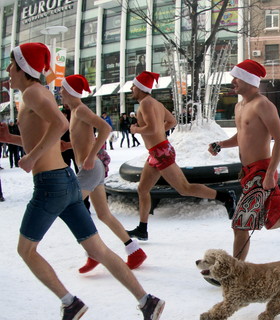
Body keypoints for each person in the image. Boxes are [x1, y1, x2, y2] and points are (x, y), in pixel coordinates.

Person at [0, 42, 164, 319]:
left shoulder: (32, 93)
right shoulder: (35, 94)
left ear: (23, 68)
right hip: (65, 181)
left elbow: (60, 126)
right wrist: (10, 140)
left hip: (51, 186)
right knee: (97, 248)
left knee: (25, 250)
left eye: (12, 64)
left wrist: (30, 159)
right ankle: (147, 300)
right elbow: (48, 139)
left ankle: (70, 303)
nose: (7, 70)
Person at [208, 59, 280, 262]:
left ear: (248, 79)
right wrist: (221, 144)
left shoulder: (263, 104)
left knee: (241, 224)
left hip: (261, 171)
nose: (233, 81)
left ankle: (234, 271)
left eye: (236, 77)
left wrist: (271, 173)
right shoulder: (239, 106)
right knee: (274, 218)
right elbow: (242, 135)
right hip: (247, 172)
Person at [126, 71, 237, 241]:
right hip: (156, 152)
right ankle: (142, 228)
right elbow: (172, 122)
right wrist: (156, 135)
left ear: (141, 87)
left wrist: (136, 130)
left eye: (134, 86)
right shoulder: (155, 103)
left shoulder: (146, 104)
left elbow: (152, 128)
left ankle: (225, 196)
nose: (131, 89)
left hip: (161, 152)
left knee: (184, 188)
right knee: (143, 189)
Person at [60, 74, 148, 273]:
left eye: (62, 89)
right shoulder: (74, 111)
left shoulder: (80, 109)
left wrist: (91, 156)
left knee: (69, 206)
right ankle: (134, 251)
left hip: (91, 168)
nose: (60, 93)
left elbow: (105, 128)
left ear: (69, 91)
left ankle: (93, 253)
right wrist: (67, 146)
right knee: (103, 214)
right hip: (93, 168)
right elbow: (83, 138)